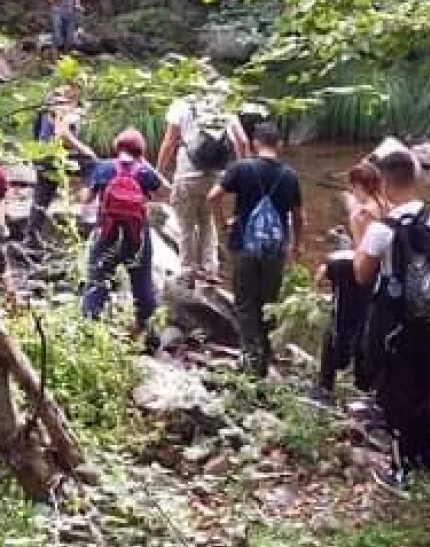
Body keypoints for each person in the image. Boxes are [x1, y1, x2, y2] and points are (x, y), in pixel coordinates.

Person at [355, 148, 430, 486]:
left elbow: (362, 275)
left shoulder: (382, 228)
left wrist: (363, 240)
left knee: (398, 390)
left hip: (397, 323)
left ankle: (402, 468)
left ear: (383, 183)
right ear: (417, 178)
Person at [209, 122, 303, 378]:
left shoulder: (242, 168)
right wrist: (297, 245)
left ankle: (252, 359)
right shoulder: (290, 175)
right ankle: (266, 352)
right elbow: (297, 216)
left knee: (245, 302)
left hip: (243, 245)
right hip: (275, 248)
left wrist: (222, 224)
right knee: (269, 302)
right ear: (279, 145)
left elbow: (213, 196)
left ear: (254, 143)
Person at [312, 161, 389, 404]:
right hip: (382, 279)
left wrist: (331, 268)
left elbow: (362, 251)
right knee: (367, 328)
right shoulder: (387, 208)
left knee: (338, 327)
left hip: (359, 276)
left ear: (357, 185)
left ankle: (325, 385)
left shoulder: (362, 214)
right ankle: (367, 385)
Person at [156, 88, 248, 287]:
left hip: (187, 173)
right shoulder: (224, 105)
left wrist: (159, 172)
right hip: (215, 175)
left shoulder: (181, 103)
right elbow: (242, 141)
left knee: (185, 224)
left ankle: (188, 271)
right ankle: (210, 269)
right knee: (208, 222)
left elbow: (169, 142)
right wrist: (244, 171)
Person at [80, 129, 163, 336]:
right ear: (140, 151)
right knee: (142, 281)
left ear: (117, 146)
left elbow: (86, 199)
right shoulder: (145, 172)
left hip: (107, 232)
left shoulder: (103, 168)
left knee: (97, 278)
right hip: (137, 235)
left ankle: (89, 331)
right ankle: (149, 335)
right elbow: (161, 191)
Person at [25, 84, 94, 247]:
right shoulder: (60, 102)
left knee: (42, 196)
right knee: (94, 166)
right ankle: (90, 217)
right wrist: (84, 149)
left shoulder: (49, 102)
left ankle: (31, 237)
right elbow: (61, 132)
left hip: (43, 155)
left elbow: (38, 132)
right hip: (52, 156)